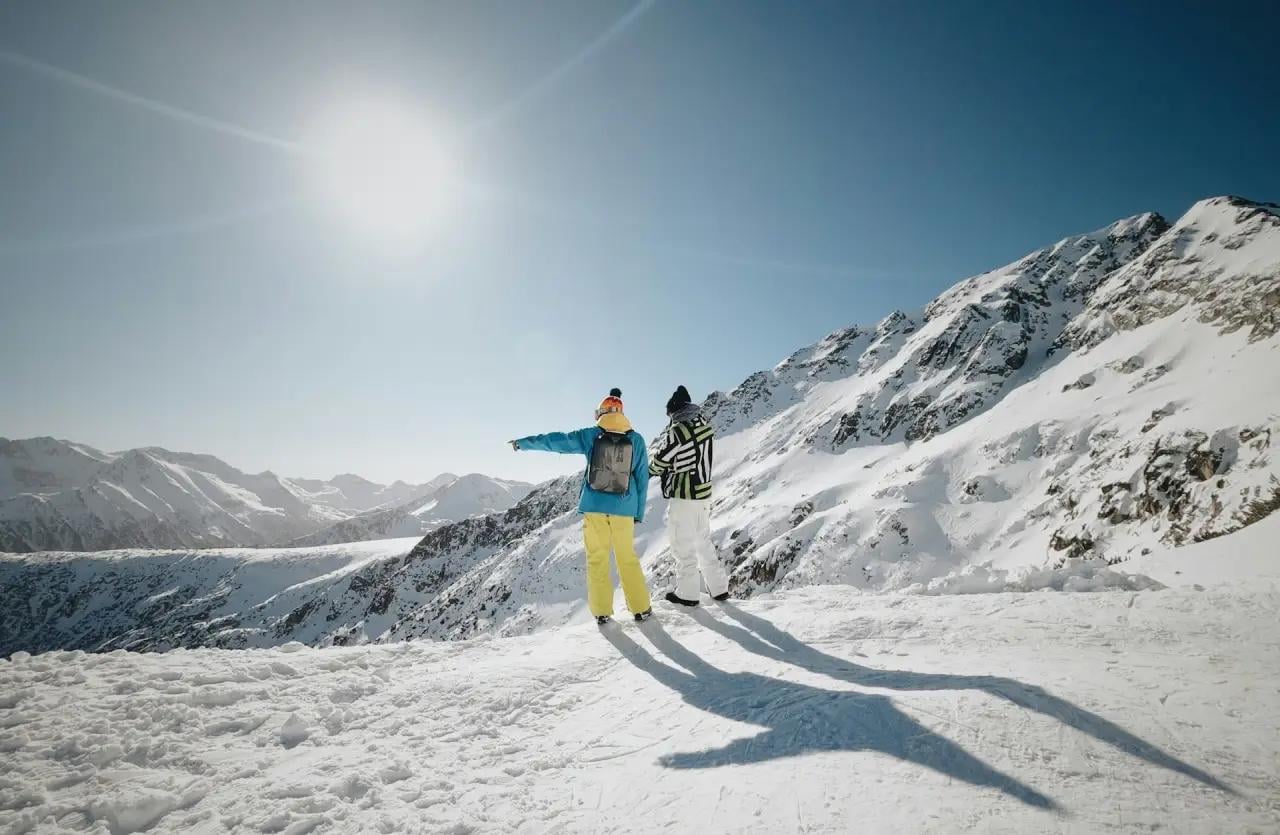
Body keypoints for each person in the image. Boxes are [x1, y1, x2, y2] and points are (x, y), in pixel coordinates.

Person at [510, 388, 653, 624]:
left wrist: (523, 443)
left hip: (595, 506)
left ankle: (602, 613)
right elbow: (642, 478)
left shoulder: (591, 435)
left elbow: (557, 441)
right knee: (627, 558)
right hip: (625, 508)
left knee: (597, 560)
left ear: (601, 412)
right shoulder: (636, 440)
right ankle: (641, 609)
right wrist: (637, 512)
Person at [649, 385, 730, 606]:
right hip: (703, 495)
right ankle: (719, 588)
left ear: (675, 410)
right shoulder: (705, 427)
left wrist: (647, 471)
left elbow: (661, 461)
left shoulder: (678, 431)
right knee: (702, 541)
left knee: (682, 544)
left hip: (684, 496)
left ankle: (687, 593)